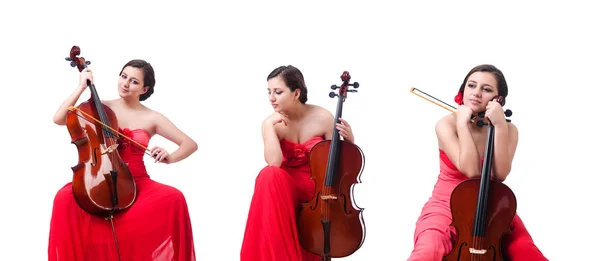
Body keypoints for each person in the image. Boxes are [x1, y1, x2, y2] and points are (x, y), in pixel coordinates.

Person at [48, 59, 198, 261]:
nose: (125, 83)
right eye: (123, 76)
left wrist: (169, 157)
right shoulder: (98, 108)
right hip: (99, 177)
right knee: (64, 198)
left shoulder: (152, 118)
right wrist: (81, 87)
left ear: (145, 89)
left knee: (175, 197)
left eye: (134, 81)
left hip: (137, 182)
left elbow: (190, 144)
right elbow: (59, 119)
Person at [407, 64, 547, 261]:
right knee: (429, 248)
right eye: (471, 86)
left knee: (526, 251)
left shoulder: (509, 129)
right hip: (446, 205)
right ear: (462, 91)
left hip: (493, 207)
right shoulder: (446, 124)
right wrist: (462, 124)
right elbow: (472, 171)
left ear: (498, 100)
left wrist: (498, 126)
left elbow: (500, 175)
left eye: (487, 89)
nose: (476, 93)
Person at [240, 65, 357, 261]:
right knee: (268, 175)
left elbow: (340, 165)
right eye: (269, 92)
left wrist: (350, 141)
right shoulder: (272, 123)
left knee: (271, 176)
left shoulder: (323, 117)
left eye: (278, 92)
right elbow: (274, 163)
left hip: (317, 192)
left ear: (296, 93)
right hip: (284, 190)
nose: (271, 98)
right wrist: (267, 126)